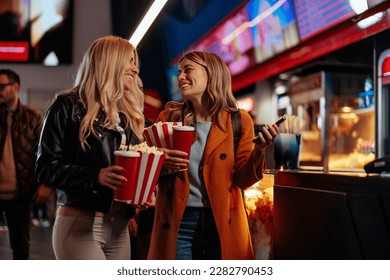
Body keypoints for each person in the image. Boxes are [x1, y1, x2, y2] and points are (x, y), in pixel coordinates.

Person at [147, 51, 279, 260]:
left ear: (212, 74)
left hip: (223, 223)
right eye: (179, 72)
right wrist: (159, 159)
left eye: (188, 70)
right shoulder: (168, 118)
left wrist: (259, 151)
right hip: (178, 223)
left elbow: (243, 180)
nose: (180, 77)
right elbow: (151, 175)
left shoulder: (239, 121)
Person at [35, 36, 146, 260]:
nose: (135, 69)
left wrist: (142, 191)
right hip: (79, 226)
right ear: (109, 61)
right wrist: (96, 176)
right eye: (129, 61)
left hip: (120, 227)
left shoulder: (128, 114)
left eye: (135, 62)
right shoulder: (66, 105)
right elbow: (45, 167)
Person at [0, 68, 52, 259]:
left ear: (15, 87)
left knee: (20, 247)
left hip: (20, 193)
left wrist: (45, 184)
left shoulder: (33, 118)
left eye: (1, 86)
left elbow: (46, 153)